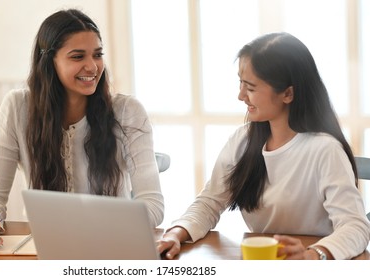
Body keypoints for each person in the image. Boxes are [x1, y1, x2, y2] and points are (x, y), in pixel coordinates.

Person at [157, 32, 370, 260]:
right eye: (240, 83)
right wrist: (175, 234)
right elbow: (210, 202)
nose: (240, 96)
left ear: (288, 93)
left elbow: (355, 226)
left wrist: (314, 255)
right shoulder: (243, 141)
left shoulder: (325, 150)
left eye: (250, 87)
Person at [0, 9, 164, 248]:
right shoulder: (17, 107)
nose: (92, 67)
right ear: (49, 62)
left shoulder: (127, 111)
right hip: (46, 248)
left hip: (112, 246)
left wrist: (106, 227)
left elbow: (153, 205)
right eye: (77, 57)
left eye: (97, 54)